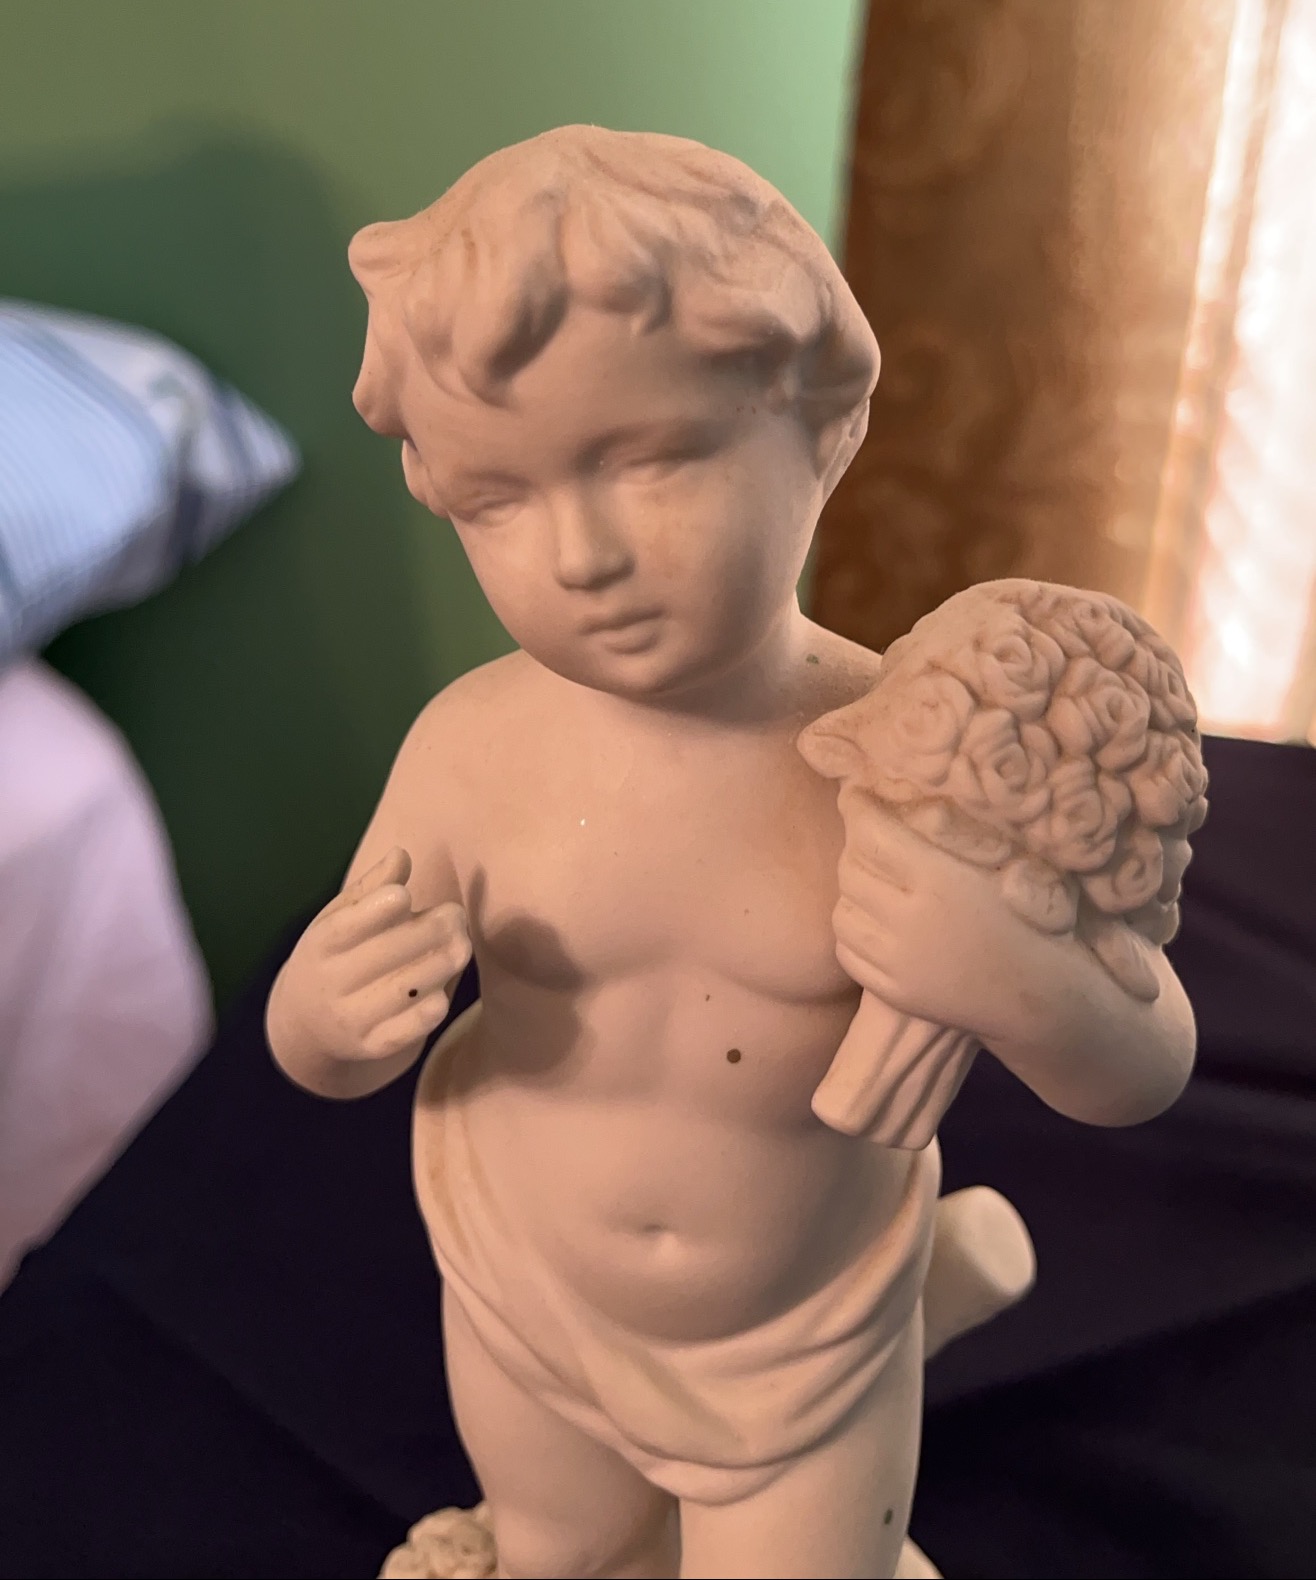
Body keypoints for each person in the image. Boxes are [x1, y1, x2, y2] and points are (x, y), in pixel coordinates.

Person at [266, 127, 1192, 1579]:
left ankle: (914, 1337)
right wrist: (323, 1020)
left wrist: (1019, 973)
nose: (581, 555)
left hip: (803, 1335)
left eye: (652, 460)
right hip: (525, 1281)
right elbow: (327, 1041)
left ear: (823, 432)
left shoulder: (905, 752)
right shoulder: (466, 750)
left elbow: (1145, 1065)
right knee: (559, 1552)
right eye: (499, 498)